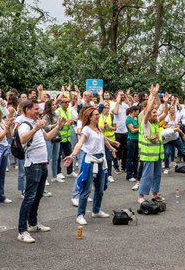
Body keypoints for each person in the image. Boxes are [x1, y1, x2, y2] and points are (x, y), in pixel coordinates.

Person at [64, 105, 118, 225]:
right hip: (89, 161)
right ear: (90, 117)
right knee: (86, 189)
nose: (98, 116)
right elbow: (79, 144)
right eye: (96, 115)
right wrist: (72, 156)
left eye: (98, 114)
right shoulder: (86, 129)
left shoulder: (98, 128)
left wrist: (111, 148)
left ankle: (96, 210)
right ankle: (80, 214)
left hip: (100, 161)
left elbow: (103, 139)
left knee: (100, 188)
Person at [16, 99, 59, 243]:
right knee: (29, 197)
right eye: (35, 109)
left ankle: (33, 224)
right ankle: (22, 231)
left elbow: (47, 137)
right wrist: (35, 128)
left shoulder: (37, 123)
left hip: (42, 164)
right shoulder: (25, 124)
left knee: (38, 195)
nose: (39, 111)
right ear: (27, 110)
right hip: (32, 165)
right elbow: (22, 139)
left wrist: (59, 126)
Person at [136, 87, 164, 202]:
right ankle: (141, 196)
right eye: (153, 111)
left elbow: (163, 110)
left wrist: (163, 100)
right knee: (147, 176)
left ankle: (155, 194)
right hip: (148, 154)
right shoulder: (143, 119)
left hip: (156, 154)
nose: (155, 112)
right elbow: (148, 111)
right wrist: (152, 95)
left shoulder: (155, 122)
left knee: (157, 175)